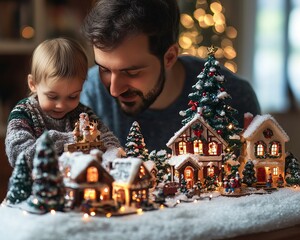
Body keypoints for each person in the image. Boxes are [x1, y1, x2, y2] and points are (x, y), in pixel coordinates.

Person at [80, 0, 261, 152]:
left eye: (131, 72)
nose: (114, 89)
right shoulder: (88, 94)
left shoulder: (234, 97)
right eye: (104, 69)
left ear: (169, 57)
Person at [5, 37, 120, 168]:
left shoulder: (83, 114)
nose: (61, 105)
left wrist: (111, 156)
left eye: (73, 96)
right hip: (37, 186)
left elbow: (109, 141)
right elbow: (18, 155)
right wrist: (71, 140)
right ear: (33, 84)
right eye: (52, 97)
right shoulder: (23, 113)